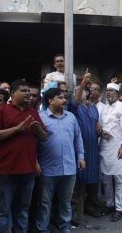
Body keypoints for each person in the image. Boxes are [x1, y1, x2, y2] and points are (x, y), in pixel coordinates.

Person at [0, 79, 47, 233]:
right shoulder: (0, 111)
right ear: (12, 93)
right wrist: (17, 129)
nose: (28, 94)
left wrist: (38, 129)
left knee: (22, 210)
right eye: (24, 91)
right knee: (2, 211)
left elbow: (44, 137)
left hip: (27, 171)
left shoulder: (33, 112)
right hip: (5, 171)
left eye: (29, 91)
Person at [36, 88, 85, 232]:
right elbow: (34, 143)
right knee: (45, 202)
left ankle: (65, 228)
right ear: (50, 100)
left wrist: (81, 156)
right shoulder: (41, 117)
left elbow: (78, 138)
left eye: (65, 97)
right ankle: (42, 229)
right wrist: (35, 161)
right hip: (48, 168)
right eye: (60, 98)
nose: (64, 100)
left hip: (69, 168)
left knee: (66, 202)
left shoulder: (71, 117)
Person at [70, 69, 101, 223]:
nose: (79, 91)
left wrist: (102, 131)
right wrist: (82, 82)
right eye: (77, 90)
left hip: (93, 150)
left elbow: (97, 125)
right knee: (79, 183)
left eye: (81, 90)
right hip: (80, 150)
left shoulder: (94, 108)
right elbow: (75, 101)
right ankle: (76, 216)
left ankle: (91, 207)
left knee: (93, 180)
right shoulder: (75, 108)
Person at [99, 82, 122, 222]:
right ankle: (109, 204)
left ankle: (119, 208)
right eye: (107, 90)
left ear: (117, 94)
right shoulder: (103, 108)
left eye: (111, 91)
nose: (108, 93)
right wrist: (101, 132)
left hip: (117, 148)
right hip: (104, 147)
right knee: (106, 179)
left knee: (118, 178)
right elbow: (99, 125)